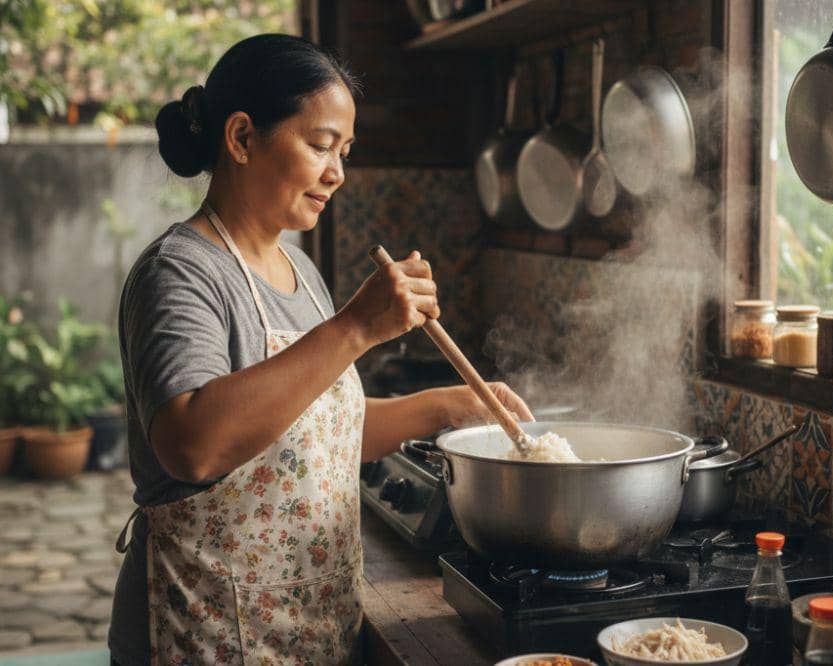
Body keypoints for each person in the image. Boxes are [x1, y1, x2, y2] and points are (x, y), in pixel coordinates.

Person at [108, 33, 532, 665]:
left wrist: (448, 407)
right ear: (243, 138)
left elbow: (311, 438)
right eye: (320, 144)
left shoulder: (300, 270)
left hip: (310, 622)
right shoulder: (180, 271)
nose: (338, 173)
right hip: (206, 628)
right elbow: (192, 445)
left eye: (346, 151)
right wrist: (356, 326)